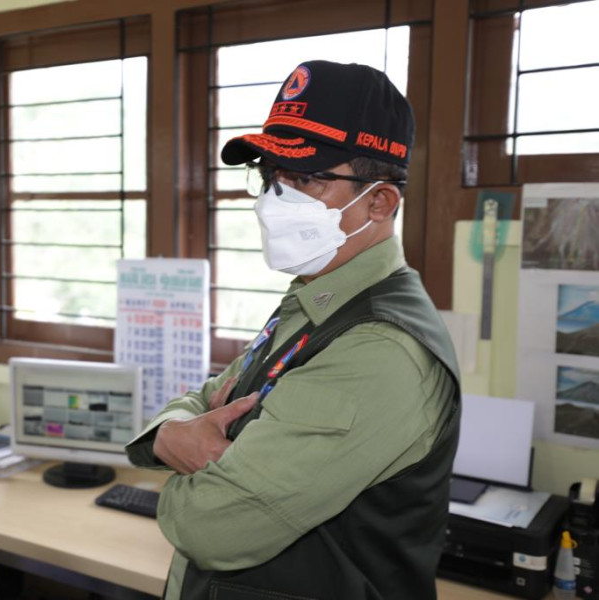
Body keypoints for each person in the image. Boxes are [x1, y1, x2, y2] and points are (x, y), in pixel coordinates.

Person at [125, 60, 461, 600]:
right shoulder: (317, 297)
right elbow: (207, 397)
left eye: (305, 178)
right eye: (270, 175)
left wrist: (187, 464)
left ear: (379, 201)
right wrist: (169, 435)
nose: (273, 200)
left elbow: (207, 527)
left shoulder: (378, 347)